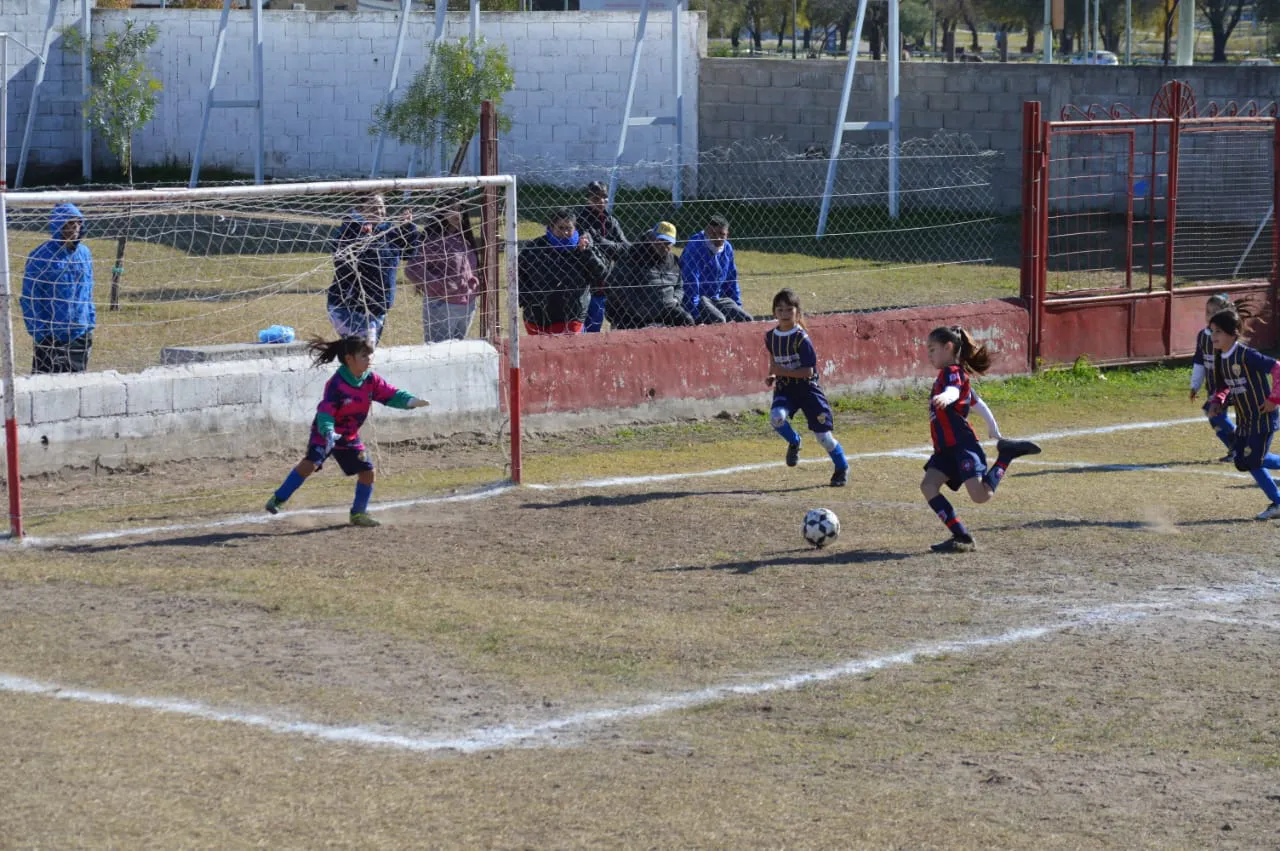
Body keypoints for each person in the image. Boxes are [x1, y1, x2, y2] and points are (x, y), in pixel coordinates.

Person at [265, 336, 431, 528]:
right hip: (325, 432)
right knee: (309, 465)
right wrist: (328, 431)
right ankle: (278, 499)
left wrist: (411, 401)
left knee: (368, 472)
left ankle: (358, 514)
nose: (369, 359)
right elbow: (325, 411)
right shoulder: (336, 384)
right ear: (349, 358)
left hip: (348, 436)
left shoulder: (370, 379)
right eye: (364, 356)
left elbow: (390, 393)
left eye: (369, 355)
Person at [920, 325, 1041, 553]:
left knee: (980, 495)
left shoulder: (952, 373)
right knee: (928, 486)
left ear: (948, 347)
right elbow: (977, 403)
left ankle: (1006, 456)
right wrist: (994, 430)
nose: (929, 354)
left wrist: (947, 396)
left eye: (933, 349)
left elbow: (955, 392)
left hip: (962, 446)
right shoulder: (947, 377)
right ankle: (961, 536)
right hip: (945, 450)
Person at [764, 288, 849, 487]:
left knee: (824, 438)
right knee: (776, 418)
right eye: (780, 310)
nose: (784, 314)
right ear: (774, 312)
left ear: (797, 312)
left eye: (789, 310)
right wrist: (773, 374)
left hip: (808, 390)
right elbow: (774, 360)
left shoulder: (802, 338)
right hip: (786, 389)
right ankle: (795, 441)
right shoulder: (770, 337)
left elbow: (808, 372)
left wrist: (780, 371)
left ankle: (841, 467)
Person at [1204, 308, 1280, 520]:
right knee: (1241, 460)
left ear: (1233, 332)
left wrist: (1274, 399)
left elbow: (1278, 369)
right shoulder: (1221, 357)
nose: (1213, 336)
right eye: (1211, 331)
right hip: (1245, 418)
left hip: (1263, 416)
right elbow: (1223, 385)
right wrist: (1218, 401)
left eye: (1218, 331)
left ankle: (1278, 501)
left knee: (1253, 460)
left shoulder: (1246, 354)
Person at [327, 193, 418, 346]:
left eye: (381, 207)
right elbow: (341, 261)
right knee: (363, 354)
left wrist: (407, 228)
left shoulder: (389, 233)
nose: (379, 211)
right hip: (349, 308)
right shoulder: (351, 229)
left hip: (377, 309)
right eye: (373, 207)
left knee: (363, 356)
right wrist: (362, 239)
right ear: (361, 210)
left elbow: (408, 253)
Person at [20, 203, 95, 374]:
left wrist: (90, 323)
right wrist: (40, 334)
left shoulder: (84, 254)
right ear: (58, 225)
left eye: (78, 222)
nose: (74, 227)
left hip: (79, 333)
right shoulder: (40, 257)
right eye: (69, 223)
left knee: (75, 388)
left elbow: (88, 290)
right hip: (50, 336)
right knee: (46, 387)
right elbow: (30, 297)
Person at [517, 208, 607, 335]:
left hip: (572, 316)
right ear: (551, 227)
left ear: (575, 228)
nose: (565, 232)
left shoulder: (584, 246)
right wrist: (526, 299)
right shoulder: (535, 248)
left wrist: (587, 253)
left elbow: (601, 273)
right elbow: (519, 274)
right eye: (560, 228)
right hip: (537, 316)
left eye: (569, 228)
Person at [405, 204, 481, 343]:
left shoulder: (465, 239)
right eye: (452, 209)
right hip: (442, 307)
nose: (456, 213)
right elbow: (412, 268)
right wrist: (439, 287)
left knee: (457, 353)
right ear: (442, 212)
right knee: (439, 353)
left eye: (459, 209)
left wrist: (474, 286)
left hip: (467, 307)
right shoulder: (433, 241)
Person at [606, 222, 696, 330]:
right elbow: (615, 285)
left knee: (687, 321)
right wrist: (638, 307)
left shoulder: (673, 261)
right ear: (652, 238)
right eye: (659, 241)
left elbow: (679, 286)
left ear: (673, 244)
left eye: (667, 243)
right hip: (635, 314)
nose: (663, 246)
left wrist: (675, 299)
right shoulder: (633, 255)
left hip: (666, 311)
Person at [576, 181, 629, 333]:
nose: (601, 201)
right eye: (595, 197)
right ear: (587, 198)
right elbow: (586, 251)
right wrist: (613, 247)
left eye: (604, 197)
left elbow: (626, 249)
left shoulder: (611, 221)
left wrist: (601, 242)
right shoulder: (580, 221)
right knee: (579, 329)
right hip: (584, 284)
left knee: (595, 328)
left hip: (605, 284)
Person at [1189, 293, 1237, 461]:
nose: (1210, 315)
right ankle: (1235, 449)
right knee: (1212, 418)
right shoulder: (1202, 336)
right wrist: (1195, 385)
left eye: (1214, 312)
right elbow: (1199, 360)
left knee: (1215, 414)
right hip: (1213, 386)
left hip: (1227, 385)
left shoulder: (1229, 336)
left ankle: (1241, 443)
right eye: (1207, 311)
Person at [681, 214, 752, 324]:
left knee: (746, 319)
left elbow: (731, 280)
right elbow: (691, 284)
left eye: (722, 234)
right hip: (700, 298)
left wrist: (737, 307)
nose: (718, 238)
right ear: (707, 231)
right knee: (719, 320)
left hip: (717, 298)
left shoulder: (727, 248)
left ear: (727, 234)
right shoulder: (695, 247)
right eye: (714, 233)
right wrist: (695, 315)